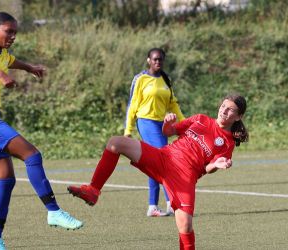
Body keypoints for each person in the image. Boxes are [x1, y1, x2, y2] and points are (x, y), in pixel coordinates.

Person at [0, 12, 83, 250]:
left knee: (6, 179)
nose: (12, 36)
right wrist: (0, 74)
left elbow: (10, 60)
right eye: (7, 31)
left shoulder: (0, 53)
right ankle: (53, 211)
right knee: (32, 155)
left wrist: (29, 67)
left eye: (15, 32)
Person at [68, 94, 249, 250]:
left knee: (185, 227)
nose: (223, 110)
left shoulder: (227, 143)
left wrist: (216, 164)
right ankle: (93, 190)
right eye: (223, 106)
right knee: (116, 143)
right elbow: (170, 132)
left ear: (238, 116)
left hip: (183, 178)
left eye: (230, 110)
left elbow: (207, 169)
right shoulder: (200, 119)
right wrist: (167, 124)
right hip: (164, 158)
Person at [124, 48, 185, 217]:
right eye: (155, 59)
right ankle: (172, 204)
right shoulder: (140, 79)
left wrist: (185, 123)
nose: (158, 62)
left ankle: (153, 206)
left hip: (161, 124)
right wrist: (127, 129)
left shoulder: (166, 79)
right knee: (164, 160)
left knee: (155, 163)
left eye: (161, 60)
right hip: (145, 121)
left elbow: (173, 104)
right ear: (148, 60)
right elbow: (132, 105)